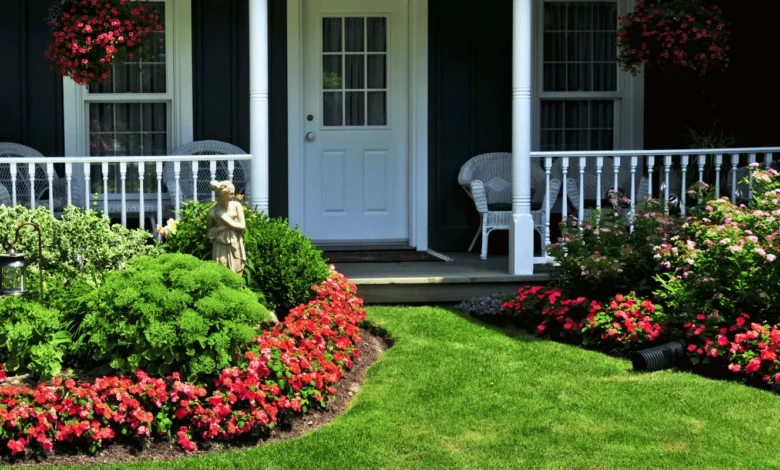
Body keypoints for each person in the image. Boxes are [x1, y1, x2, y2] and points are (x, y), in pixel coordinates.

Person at [207, 181, 246, 275]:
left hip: (235, 242)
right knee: (222, 272)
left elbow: (242, 226)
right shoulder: (212, 211)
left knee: (237, 273)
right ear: (223, 194)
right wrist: (223, 227)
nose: (233, 196)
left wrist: (226, 219)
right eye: (230, 194)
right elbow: (209, 234)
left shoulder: (236, 205)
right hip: (220, 245)